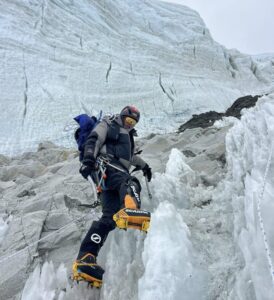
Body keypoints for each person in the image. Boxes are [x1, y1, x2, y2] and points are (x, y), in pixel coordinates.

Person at [72, 105, 152, 286]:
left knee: (109, 219)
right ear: (122, 116)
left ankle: (86, 258)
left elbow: (130, 157)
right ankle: (131, 209)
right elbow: (94, 139)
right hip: (107, 166)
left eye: (133, 123)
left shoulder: (127, 136)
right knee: (131, 183)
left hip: (109, 179)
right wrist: (88, 159)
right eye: (128, 120)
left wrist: (145, 166)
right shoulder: (108, 123)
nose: (130, 125)